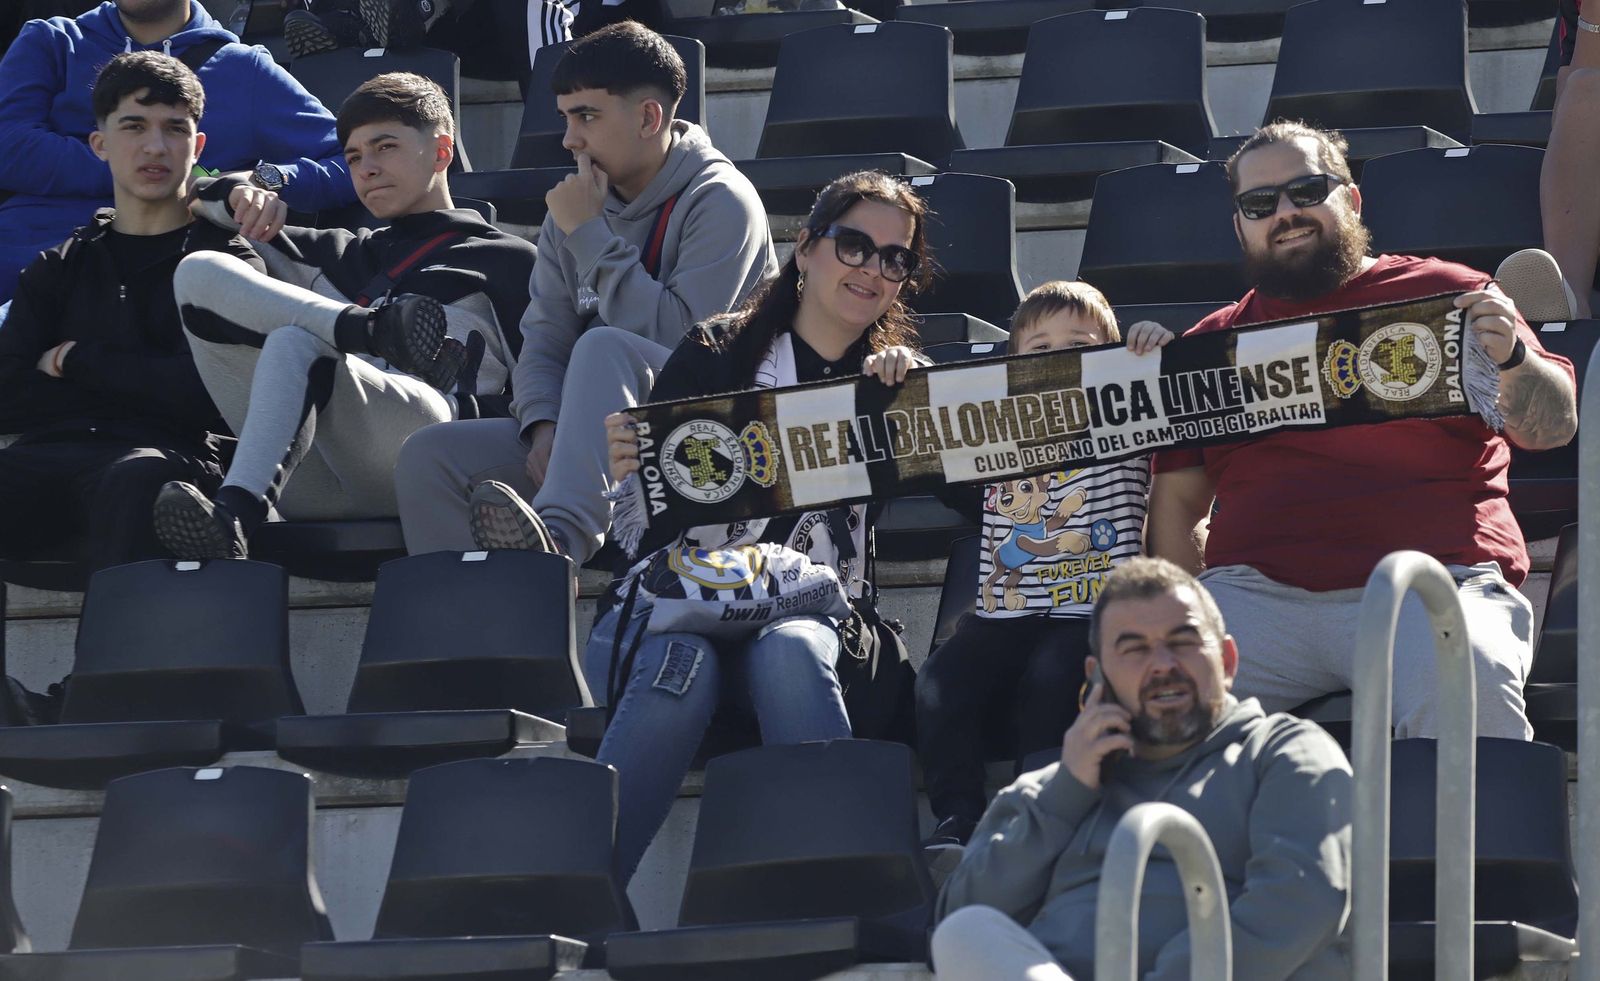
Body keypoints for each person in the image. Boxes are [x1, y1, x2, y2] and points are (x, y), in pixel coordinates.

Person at [480, 171, 931, 878]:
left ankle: (845, 889)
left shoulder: (894, 387)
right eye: (853, 245)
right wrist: (647, 469)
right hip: (688, 614)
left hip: (823, 631)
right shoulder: (718, 352)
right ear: (806, 249)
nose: (873, 268)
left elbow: (993, 486)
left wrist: (925, 402)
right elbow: (657, 539)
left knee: (789, 645)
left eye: (894, 257)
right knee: (679, 662)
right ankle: (583, 896)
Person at [1148, 120, 1578, 740]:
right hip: (1256, 601)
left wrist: (1514, 358)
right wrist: (1185, 624)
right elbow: (1180, 505)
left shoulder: (1448, 295)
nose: (1286, 213)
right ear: (1240, 225)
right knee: (1156, 707)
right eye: (1260, 204)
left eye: (1306, 190)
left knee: (1467, 690)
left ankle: (1471, 844)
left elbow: (1553, 428)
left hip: (1435, 584)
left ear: (1350, 198)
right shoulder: (1210, 347)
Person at [393, 20, 776, 564]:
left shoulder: (722, 200)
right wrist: (544, 424)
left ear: (649, 117)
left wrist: (591, 237)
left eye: (587, 117)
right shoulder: (574, 209)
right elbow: (544, 337)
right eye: (566, 118)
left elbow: (684, 346)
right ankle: (472, 630)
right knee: (431, 457)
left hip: (706, 442)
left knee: (603, 346)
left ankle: (559, 545)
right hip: (598, 444)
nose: (570, 139)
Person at [150, 71, 535, 559]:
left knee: (295, 341)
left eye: (385, 147)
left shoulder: (510, 259)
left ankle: (236, 513)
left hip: (430, 458)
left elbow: (545, 401)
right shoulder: (335, 253)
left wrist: (464, 411)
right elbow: (201, 204)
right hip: (310, 479)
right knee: (198, 270)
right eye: (353, 157)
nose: (367, 168)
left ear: (441, 151)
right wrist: (244, 191)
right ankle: (369, 332)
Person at [931, 557, 1353, 981]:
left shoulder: (1281, 752)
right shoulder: (1048, 789)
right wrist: (1065, 794)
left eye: (1183, 641)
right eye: (1134, 648)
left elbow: (1303, 900)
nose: (1163, 664)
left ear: (1227, 660)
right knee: (966, 930)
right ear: (1097, 678)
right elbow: (961, 919)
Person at [916, 281, 1172, 857]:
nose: (1058, 357)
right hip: (1003, 614)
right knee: (938, 683)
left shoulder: (1128, 409)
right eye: (1038, 348)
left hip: (1093, 611)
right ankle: (956, 817)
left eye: (1079, 344)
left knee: (1057, 676)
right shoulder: (992, 428)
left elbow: (1182, 392)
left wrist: (1153, 349)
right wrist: (904, 369)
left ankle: (1041, 816)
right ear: (1010, 364)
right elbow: (920, 428)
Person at [0, 51, 261, 572]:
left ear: (198, 146)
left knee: (136, 481)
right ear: (100, 144)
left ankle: (118, 655)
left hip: (173, 460)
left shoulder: (227, 261)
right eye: (134, 126)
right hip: (54, 455)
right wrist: (145, 380)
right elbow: (7, 395)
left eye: (174, 129)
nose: (155, 147)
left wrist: (75, 361)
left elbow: (213, 398)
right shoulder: (62, 265)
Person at [0, 0, 356, 304]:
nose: (153, 144)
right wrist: (160, 173)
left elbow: (354, 161)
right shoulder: (52, 41)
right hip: (20, 262)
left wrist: (267, 179)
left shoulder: (245, 70)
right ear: (100, 141)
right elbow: (7, 143)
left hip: (155, 285)